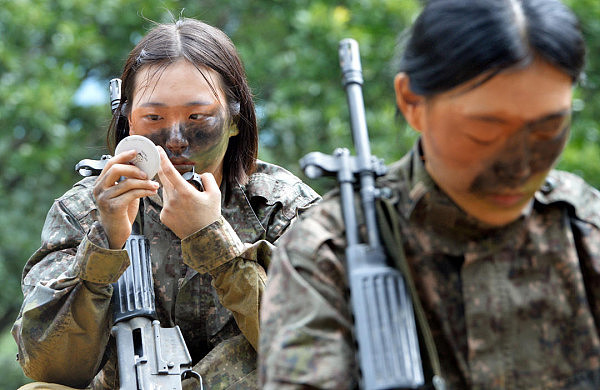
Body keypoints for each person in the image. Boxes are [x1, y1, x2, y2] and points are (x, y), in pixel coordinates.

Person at [259, 0, 600, 388]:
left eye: (547, 129)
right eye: (485, 130)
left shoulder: (585, 226)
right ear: (412, 102)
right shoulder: (330, 252)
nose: (520, 166)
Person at [12, 17, 320, 390]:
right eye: (154, 117)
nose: (175, 139)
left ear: (234, 120)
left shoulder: (281, 206)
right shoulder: (85, 209)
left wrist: (215, 244)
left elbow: (317, 352)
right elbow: (48, 367)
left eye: (197, 117)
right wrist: (105, 245)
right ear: (128, 123)